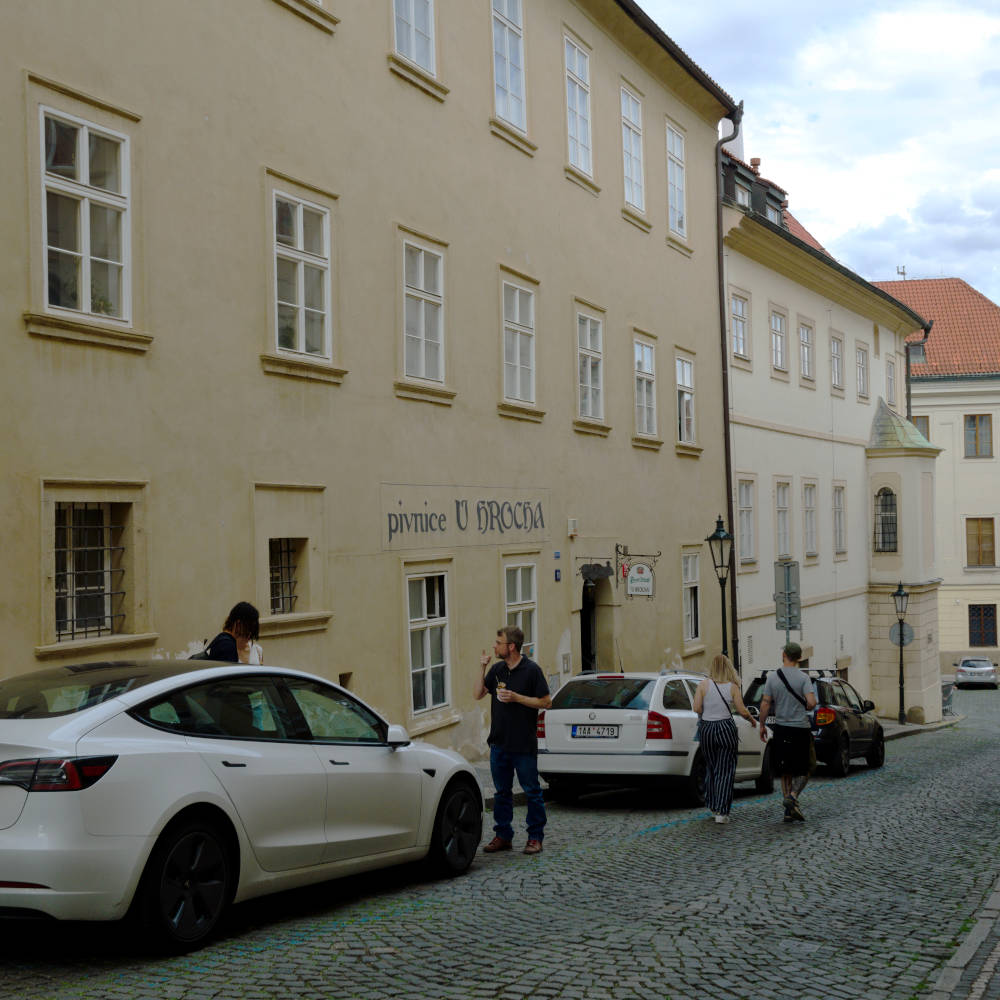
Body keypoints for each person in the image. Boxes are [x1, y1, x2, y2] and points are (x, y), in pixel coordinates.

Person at [473, 626, 552, 855]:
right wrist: (482, 667)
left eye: (498, 643)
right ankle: (503, 835)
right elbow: (478, 694)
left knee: (532, 791)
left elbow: (546, 702)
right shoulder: (497, 669)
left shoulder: (531, 670)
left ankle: (535, 837)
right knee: (501, 793)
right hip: (499, 743)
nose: (494, 646)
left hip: (523, 744)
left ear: (512, 647)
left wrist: (517, 698)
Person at [692, 653, 757, 824]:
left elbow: (696, 708)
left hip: (707, 729)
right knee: (725, 770)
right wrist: (752, 720)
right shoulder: (732, 687)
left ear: (712, 668)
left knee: (712, 767)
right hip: (726, 729)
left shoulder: (703, 685)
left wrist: (708, 712)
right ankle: (722, 812)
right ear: (728, 668)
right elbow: (742, 711)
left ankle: (713, 806)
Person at [757, 642, 817, 822]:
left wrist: (762, 725)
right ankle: (793, 796)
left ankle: (788, 810)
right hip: (801, 728)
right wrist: (806, 705)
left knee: (786, 770)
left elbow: (765, 703)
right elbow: (811, 703)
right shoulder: (803, 678)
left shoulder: (773, 678)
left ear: (784, 655)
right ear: (799, 658)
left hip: (782, 728)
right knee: (807, 766)